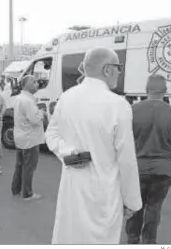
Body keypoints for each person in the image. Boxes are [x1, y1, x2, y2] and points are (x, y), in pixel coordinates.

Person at [45, 47, 142, 244]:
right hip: (103, 194)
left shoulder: (67, 97)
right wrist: (132, 201)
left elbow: (51, 134)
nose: (119, 72)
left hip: (71, 190)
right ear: (108, 69)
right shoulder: (118, 105)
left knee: (70, 237)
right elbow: (127, 160)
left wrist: (69, 154)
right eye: (118, 67)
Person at [125, 74, 171, 244]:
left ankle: (132, 239)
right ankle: (149, 241)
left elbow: (124, 142)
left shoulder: (132, 111)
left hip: (137, 168)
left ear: (146, 90)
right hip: (163, 170)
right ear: (165, 91)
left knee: (135, 206)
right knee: (154, 207)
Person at [11, 75, 45, 200]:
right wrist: (41, 113)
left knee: (20, 165)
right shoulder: (27, 100)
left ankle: (16, 189)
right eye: (33, 81)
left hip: (21, 137)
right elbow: (35, 120)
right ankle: (27, 193)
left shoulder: (21, 98)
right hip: (30, 139)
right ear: (25, 84)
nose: (37, 83)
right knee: (29, 166)